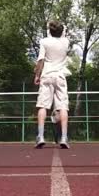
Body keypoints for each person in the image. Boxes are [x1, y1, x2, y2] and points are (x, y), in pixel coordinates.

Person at [33, 20, 71, 149]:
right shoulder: (66, 42)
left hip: (47, 76)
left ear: (50, 30)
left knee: (43, 106)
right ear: (62, 31)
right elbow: (63, 29)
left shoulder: (44, 41)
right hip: (60, 77)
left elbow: (41, 60)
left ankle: (40, 136)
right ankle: (64, 138)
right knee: (63, 107)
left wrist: (37, 75)